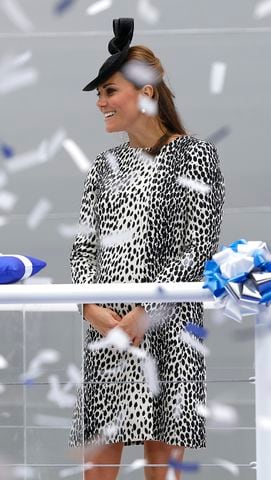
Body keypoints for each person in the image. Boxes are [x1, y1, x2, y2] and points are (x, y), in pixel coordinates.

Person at [69, 18, 225, 480]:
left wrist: (144, 313)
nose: (100, 102)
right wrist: (91, 308)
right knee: (97, 465)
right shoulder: (103, 165)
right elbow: (82, 248)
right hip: (107, 330)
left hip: (169, 325)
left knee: (164, 469)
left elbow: (194, 247)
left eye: (109, 91)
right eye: (100, 94)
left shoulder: (194, 155)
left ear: (147, 93)